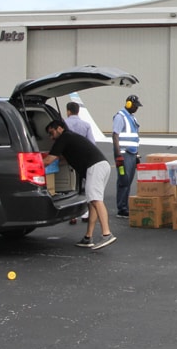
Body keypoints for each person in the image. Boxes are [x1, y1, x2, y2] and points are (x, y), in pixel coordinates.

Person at [42, 120, 116, 250]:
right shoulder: (70, 138)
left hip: (95, 167)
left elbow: (49, 160)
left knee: (96, 200)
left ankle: (107, 234)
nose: (51, 137)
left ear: (59, 128)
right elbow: (62, 159)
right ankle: (88, 237)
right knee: (92, 202)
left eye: (51, 133)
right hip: (101, 166)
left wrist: (30, 165)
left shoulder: (64, 137)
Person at [112, 94, 141, 219]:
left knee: (128, 181)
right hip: (123, 154)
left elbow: (134, 138)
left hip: (132, 154)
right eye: (135, 106)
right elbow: (115, 135)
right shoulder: (120, 117)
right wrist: (118, 155)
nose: (137, 108)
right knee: (123, 181)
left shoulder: (131, 118)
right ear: (129, 104)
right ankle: (122, 209)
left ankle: (125, 206)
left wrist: (136, 154)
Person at [64, 101, 93, 224]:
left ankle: (72, 215)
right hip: (83, 159)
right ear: (78, 111)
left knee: (71, 186)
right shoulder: (86, 125)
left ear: (68, 111)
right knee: (85, 185)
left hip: (69, 159)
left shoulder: (64, 124)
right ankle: (85, 213)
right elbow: (92, 143)